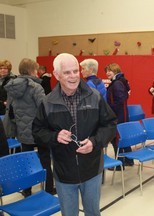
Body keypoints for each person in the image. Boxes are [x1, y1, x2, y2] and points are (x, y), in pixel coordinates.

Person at [32, 53, 117, 216]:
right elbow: (37, 131)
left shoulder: (95, 97)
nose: (73, 76)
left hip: (92, 169)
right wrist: (55, 136)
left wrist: (95, 142)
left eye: (75, 71)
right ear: (56, 75)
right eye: (67, 72)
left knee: (93, 212)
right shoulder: (47, 102)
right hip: (64, 172)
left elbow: (110, 124)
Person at [4, 58, 55, 197]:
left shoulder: (12, 87)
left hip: (22, 130)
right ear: (32, 70)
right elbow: (43, 108)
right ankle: (49, 189)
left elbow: (10, 109)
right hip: (39, 130)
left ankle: (27, 190)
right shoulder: (35, 87)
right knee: (45, 160)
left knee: (26, 161)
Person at [105, 63, 133, 168]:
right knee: (123, 137)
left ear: (115, 71)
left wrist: (109, 110)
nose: (107, 73)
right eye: (106, 71)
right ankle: (129, 161)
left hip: (117, 116)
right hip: (122, 115)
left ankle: (119, 164)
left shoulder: (116, 83)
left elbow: (120, 100)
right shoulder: (121, 81)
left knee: (116, 138)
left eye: (109, 70)